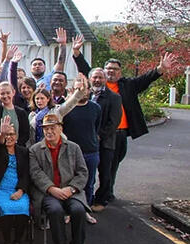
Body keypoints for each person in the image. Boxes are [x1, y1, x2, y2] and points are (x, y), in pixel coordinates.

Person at [72, 38, 177, 205]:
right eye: (108, 69)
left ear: (120, 72)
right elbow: (85, 69)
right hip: (92, 136)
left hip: (117, 135)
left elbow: (146, 78)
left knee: (110, 168)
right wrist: (76, 53)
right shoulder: (94, 88)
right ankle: (89, 197)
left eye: (115, 69)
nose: (111, 71)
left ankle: (106, 195)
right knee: (89, 166)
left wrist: (161, 69)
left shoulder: (128, 85)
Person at [29, 113, 90, 244]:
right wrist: (52, 189)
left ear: (60, 128)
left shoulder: (74, 148)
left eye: (52, 128)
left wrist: (71, 189)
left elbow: (83, 172)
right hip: (49, 193)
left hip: (72, 191)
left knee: (78, 211)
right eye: (46, 129)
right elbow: (36, 174)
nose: (49, 132)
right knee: (55, 211)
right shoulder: (35, 150)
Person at [79, 60, 123, 212]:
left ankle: (101, 200)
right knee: (85, 173)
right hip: (86, 142)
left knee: (105, 173)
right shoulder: (85, 94)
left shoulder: (114, 97)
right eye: (94, 77)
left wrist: (99, 136)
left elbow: (114, 122)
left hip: (105, 142)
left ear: (105, 79)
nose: (97, 80)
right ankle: (85, 199)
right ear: (90, 79)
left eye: (100, 77)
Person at [0, 116, 30, 244]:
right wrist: (1, 133)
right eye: (7, 134)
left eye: (11, 134)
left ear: (17, 136)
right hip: (0, 189)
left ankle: (17, 242)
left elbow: (26, 174)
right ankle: (7, 243)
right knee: (6, 209)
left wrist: (20, 191)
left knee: (23, 208)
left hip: (18, 189)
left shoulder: (24, 152)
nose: (9, 137)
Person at [62, 76, 102, 223]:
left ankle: (85, 211)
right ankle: (68, 211)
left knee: (88, 183)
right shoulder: (66, 108)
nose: (81, 91)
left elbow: (97, 127)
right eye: (78, 88)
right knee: (68, 183)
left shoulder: (95, 108)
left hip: (90, 151)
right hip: (69, 152)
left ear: (89, 90)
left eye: (84, 89)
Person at [0, 79, 30, 149]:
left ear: (13, 92)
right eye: (2, 94)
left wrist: (15, 146)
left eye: (8, 93)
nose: (5, 96)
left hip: (16, 150)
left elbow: (25, 134)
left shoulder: (21, 112)